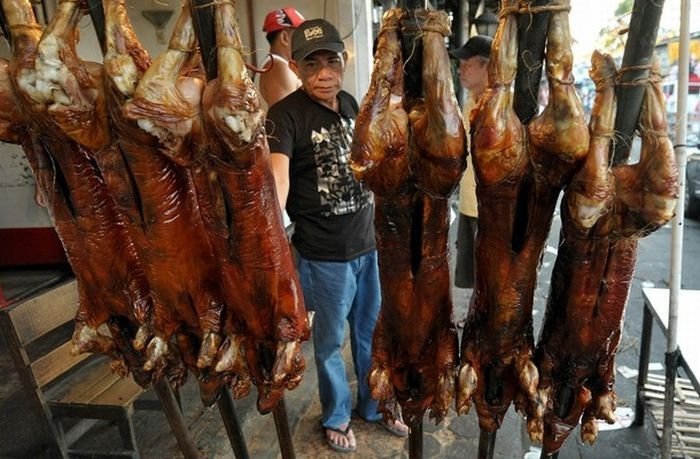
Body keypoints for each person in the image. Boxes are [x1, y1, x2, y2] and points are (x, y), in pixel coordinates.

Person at [266, 18, 408, 453]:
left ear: (343, 62)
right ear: (296, 65)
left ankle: (373, 405)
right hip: (324, 255)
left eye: (331, 61)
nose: (324, 73)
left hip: (368, 247)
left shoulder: (349, 102)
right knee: (329, 344)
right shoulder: (284, 115)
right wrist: (270, 228)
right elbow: (279, 177)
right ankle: (336, 416)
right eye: (312, 65)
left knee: (370, 336)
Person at [449, 35, 492, 293]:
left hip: (489, 209)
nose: (461, 69)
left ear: (487, 66)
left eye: (467, 63)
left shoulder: (500, 105)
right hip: (468, 203)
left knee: (491, 279)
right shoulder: (469, 103)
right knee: (475, 280)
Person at [259, 7, 305, 108]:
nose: (305, 41)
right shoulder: (280, 69)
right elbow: (283, 121)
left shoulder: (275, 65)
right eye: (300, 35)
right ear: (284, 38)